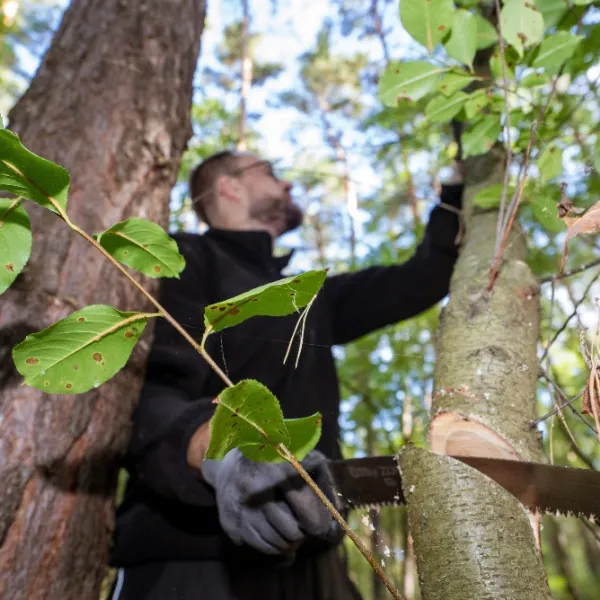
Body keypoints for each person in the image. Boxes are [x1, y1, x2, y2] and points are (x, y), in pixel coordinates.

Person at [109, 150, 464, 599]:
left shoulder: (311, 297)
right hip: (190, 562)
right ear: (229, 187)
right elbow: (146, 395)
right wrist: (222, 458)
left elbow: (423, 278)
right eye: (271, 172)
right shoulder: (184, 258)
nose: (288, 185)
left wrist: (457, 185)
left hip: (317, 563)